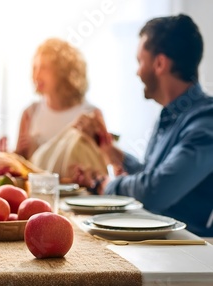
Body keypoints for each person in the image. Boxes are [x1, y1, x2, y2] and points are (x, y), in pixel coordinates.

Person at [74, 14, 213, 237]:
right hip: (160, 241)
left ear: (159, 63)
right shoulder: (171, 116)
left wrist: (109, 185)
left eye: (140, 61)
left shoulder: (206, 123)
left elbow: (156, 191)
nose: (137, 72)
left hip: (191, 253)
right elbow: (153, 174)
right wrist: (110, 151)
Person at [0, 38, 102, 160]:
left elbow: (103, 161)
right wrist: (10, 155)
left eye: (44, 67)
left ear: (63, 71)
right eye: (35, 67)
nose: (36, 75)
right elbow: (24, 166)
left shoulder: (91, 115)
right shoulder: (30, 113)